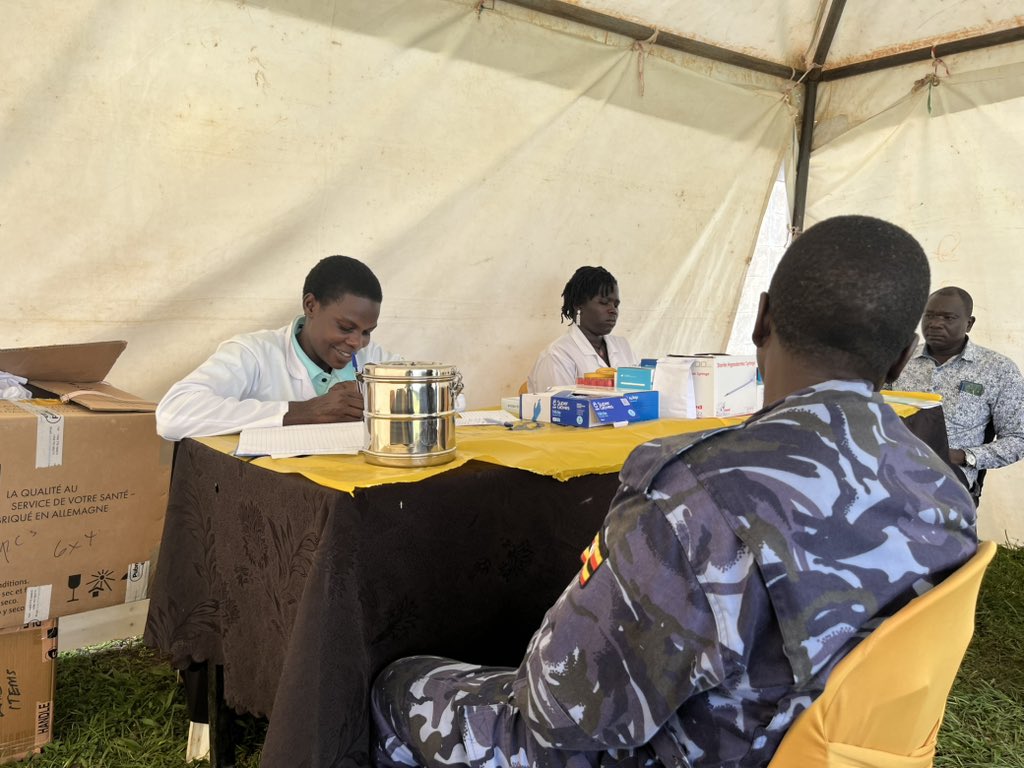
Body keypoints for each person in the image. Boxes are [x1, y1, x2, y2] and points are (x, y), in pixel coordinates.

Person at [371, 216, 977, 768]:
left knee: (402, 686)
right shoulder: (947, 498)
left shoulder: (698, 494)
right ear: (902, 360)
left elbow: (560, 708)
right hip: (829, 752)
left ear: (761, 319)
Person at [156, 255, 401, 441]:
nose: (357, 343)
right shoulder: (254, 353)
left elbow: (428, 400)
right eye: (346, 327)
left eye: (367, 331)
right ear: (311, 306)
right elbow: (173, 413)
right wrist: (300, 412)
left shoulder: (373, 359)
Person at [892, 286, 1024, 503]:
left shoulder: (997, 369)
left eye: (948, 317)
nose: (935, 323)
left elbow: (1018, 438)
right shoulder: (900, 360)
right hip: (890, 462)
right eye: (929, 316)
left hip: (949, 476)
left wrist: (961, 456)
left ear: (969, 323)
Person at [527, 266, 638, 392]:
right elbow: (559, 408)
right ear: (579, 306)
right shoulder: (557, 356)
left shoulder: (623, 346)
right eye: (604, 302)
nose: (613, 310)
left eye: (616, 305)